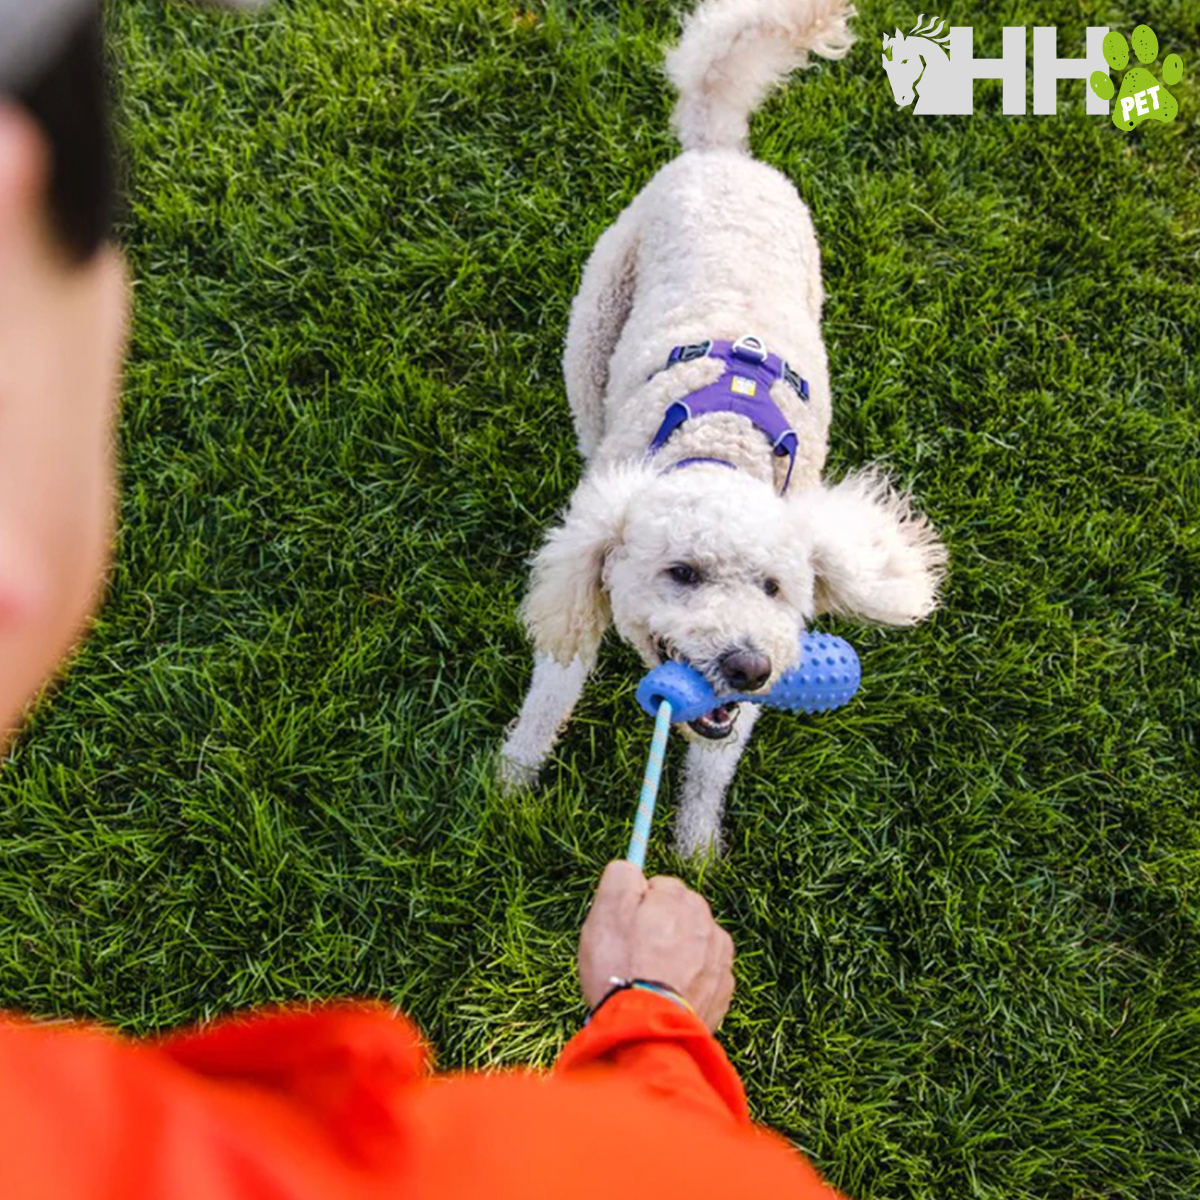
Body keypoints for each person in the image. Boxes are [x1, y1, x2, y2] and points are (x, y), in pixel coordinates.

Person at [0, 4, 844, 1197]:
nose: (745, 651)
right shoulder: (618, 525)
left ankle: (701, 805)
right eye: (684, 585)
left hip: (757, 286)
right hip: (653, 377)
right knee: (596, 371)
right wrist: (653, 1025)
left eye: (772, 593)